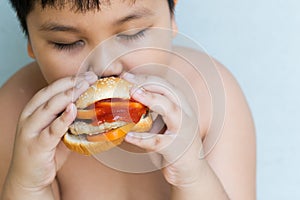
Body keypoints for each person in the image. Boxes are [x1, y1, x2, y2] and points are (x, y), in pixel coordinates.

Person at [0, 0, 256, 199]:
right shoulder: (18, 111)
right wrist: (27, 185)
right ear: (31, 41)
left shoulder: (210, 95)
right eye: (66, 43)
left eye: (133, 33)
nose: (104, 67)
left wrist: (192, 174)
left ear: (172, 15)